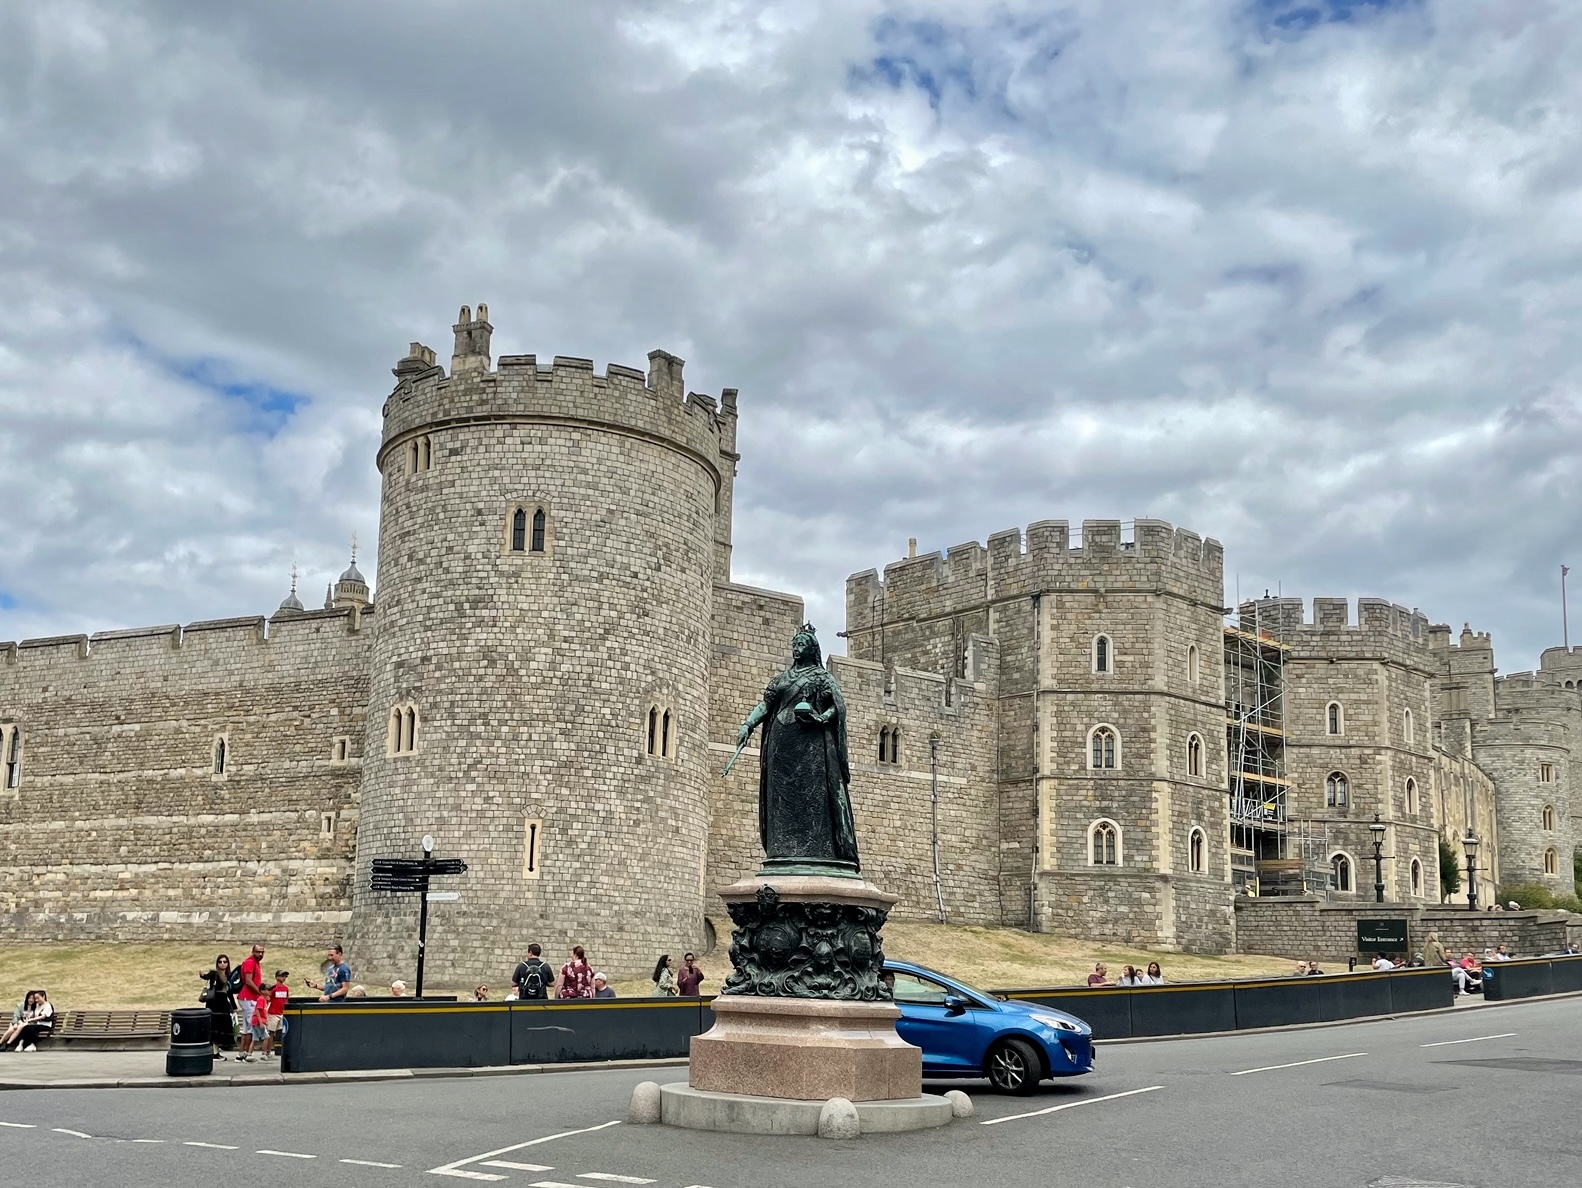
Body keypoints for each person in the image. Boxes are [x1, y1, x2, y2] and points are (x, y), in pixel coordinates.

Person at [200, 955, 237, 1058]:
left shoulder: (229, 976)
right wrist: (202, 974)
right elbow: (206, 976)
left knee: (222, 1025)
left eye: (225, 962)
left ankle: (216, 1051)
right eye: (220, 962)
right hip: (215, 1003)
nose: (222, 964)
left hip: (223, 1003)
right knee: (215, 1026)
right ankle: (214, 1052)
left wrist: (233, 1006)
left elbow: (229, 993)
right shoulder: (214, 974)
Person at [236, 943, 266, 1062]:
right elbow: (248, 981)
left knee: (247, 1027)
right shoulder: (250, 962)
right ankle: (246, 1053)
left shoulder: (255, 963)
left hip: (249, 998)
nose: (260, 954)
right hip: (248, 998)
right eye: (258, 952)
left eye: (262, 952)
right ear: (253, 952)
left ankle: (242, 1053)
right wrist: (259, 992)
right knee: (250, 1027)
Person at [263, 970, 290, 1059]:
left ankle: (276, 1050)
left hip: (282, 1013)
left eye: (285, 976)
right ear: (277, 977)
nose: (284, 978)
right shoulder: (273, 988)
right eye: (282, 976)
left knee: (280, 1032)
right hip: (273, 1013)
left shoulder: (286, 988)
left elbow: (286, 1000)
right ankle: (267, 1051)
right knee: (271, 1033)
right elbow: (268, 998)